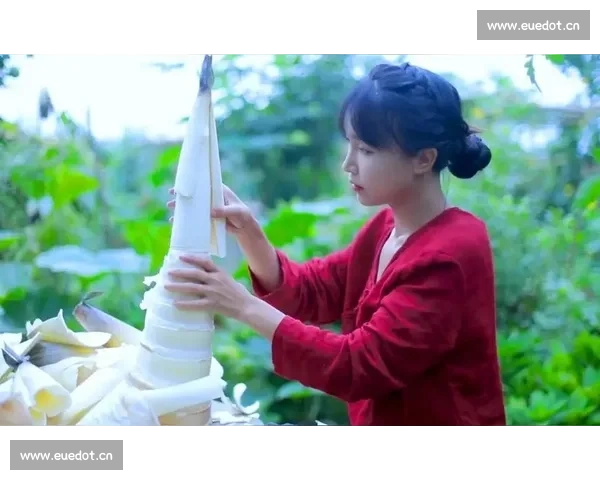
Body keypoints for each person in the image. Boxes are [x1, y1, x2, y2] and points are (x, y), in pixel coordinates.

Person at [164, 62, 507, 427]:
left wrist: (243, 305)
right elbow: (312, 291)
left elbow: (358, 365)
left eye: (367, 150)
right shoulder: (386, 229)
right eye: (350, 145)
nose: (348, 164)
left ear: (424, 159)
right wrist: (248, 232)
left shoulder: (449, 254)